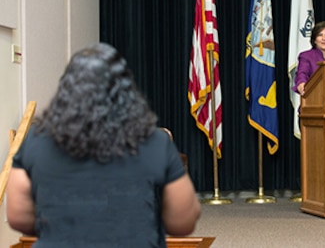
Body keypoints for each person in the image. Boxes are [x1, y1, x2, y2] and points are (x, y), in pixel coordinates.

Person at [6, 42, 201, 247]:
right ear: (126, 90)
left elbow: (18, 217)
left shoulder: (36, 142)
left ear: (66, 89)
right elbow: (183, 222)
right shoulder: (155, 142)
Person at [293, 21, 325, 96]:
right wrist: (302, 84)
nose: (324, 38)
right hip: (313, 100)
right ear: (315, 40)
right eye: (320, 35)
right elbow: (302, 73)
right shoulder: (306, 56)